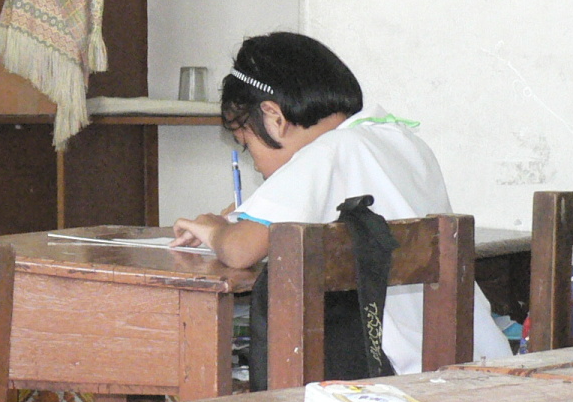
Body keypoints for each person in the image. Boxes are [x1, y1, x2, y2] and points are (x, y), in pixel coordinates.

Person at [171, 30, 511, 372]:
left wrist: (215, 230)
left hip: (400, 372)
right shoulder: (395, 137)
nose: (255, 164)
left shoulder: (327, 153)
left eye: (248, 146)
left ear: (274, 117)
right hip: (471, 354)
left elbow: (240, 250)